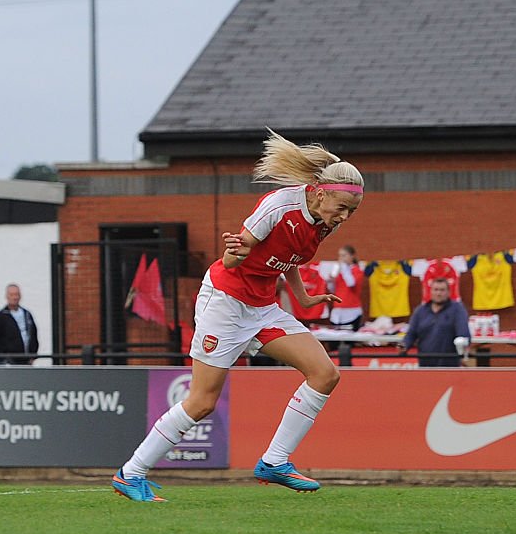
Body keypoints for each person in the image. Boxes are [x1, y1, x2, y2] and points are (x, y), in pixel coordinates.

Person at [112, 129, 364, 501]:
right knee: (201, 402)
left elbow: (288, 258)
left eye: (351, 211)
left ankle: (274, 462)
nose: (344, 217)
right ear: (320, 191)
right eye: (341, 208)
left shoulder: (323, 219)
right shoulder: (278, 207)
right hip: (226, 302)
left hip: (262, 307)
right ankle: (130, 474)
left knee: (325, 374)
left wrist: (304, 298)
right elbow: (233, 258)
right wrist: (235, 250)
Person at [401, 278, 470, 367]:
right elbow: (411, 334)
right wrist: (404, 346)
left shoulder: (457, 309)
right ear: (431, 292)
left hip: (449, 366)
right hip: (425, 366)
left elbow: (463, 332)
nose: (438, 293)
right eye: (436, 290)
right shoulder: (420, 311)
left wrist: (462, 343)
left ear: (448, 292)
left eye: (442, 290)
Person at [0, 283, 39, 365]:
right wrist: (2, 359)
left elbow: (34, 334)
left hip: (27, 362)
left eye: (17, 294)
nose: (15, 297)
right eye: (12, 295)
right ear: (7, 296)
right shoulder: (0, 316)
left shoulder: (27, 314)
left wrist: (33, 355)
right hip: (9, 363)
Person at [328, 245, 365, 330]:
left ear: (352, 256)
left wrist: (344, 268)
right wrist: (330, 281)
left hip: (352, 311)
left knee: (349, 341)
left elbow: (351, 283)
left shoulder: (357, 270)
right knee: (334, 342)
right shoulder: (340, 272)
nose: (341, 258)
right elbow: (333, 290)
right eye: (340, 255)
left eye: (344, 255)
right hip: (337, 311)